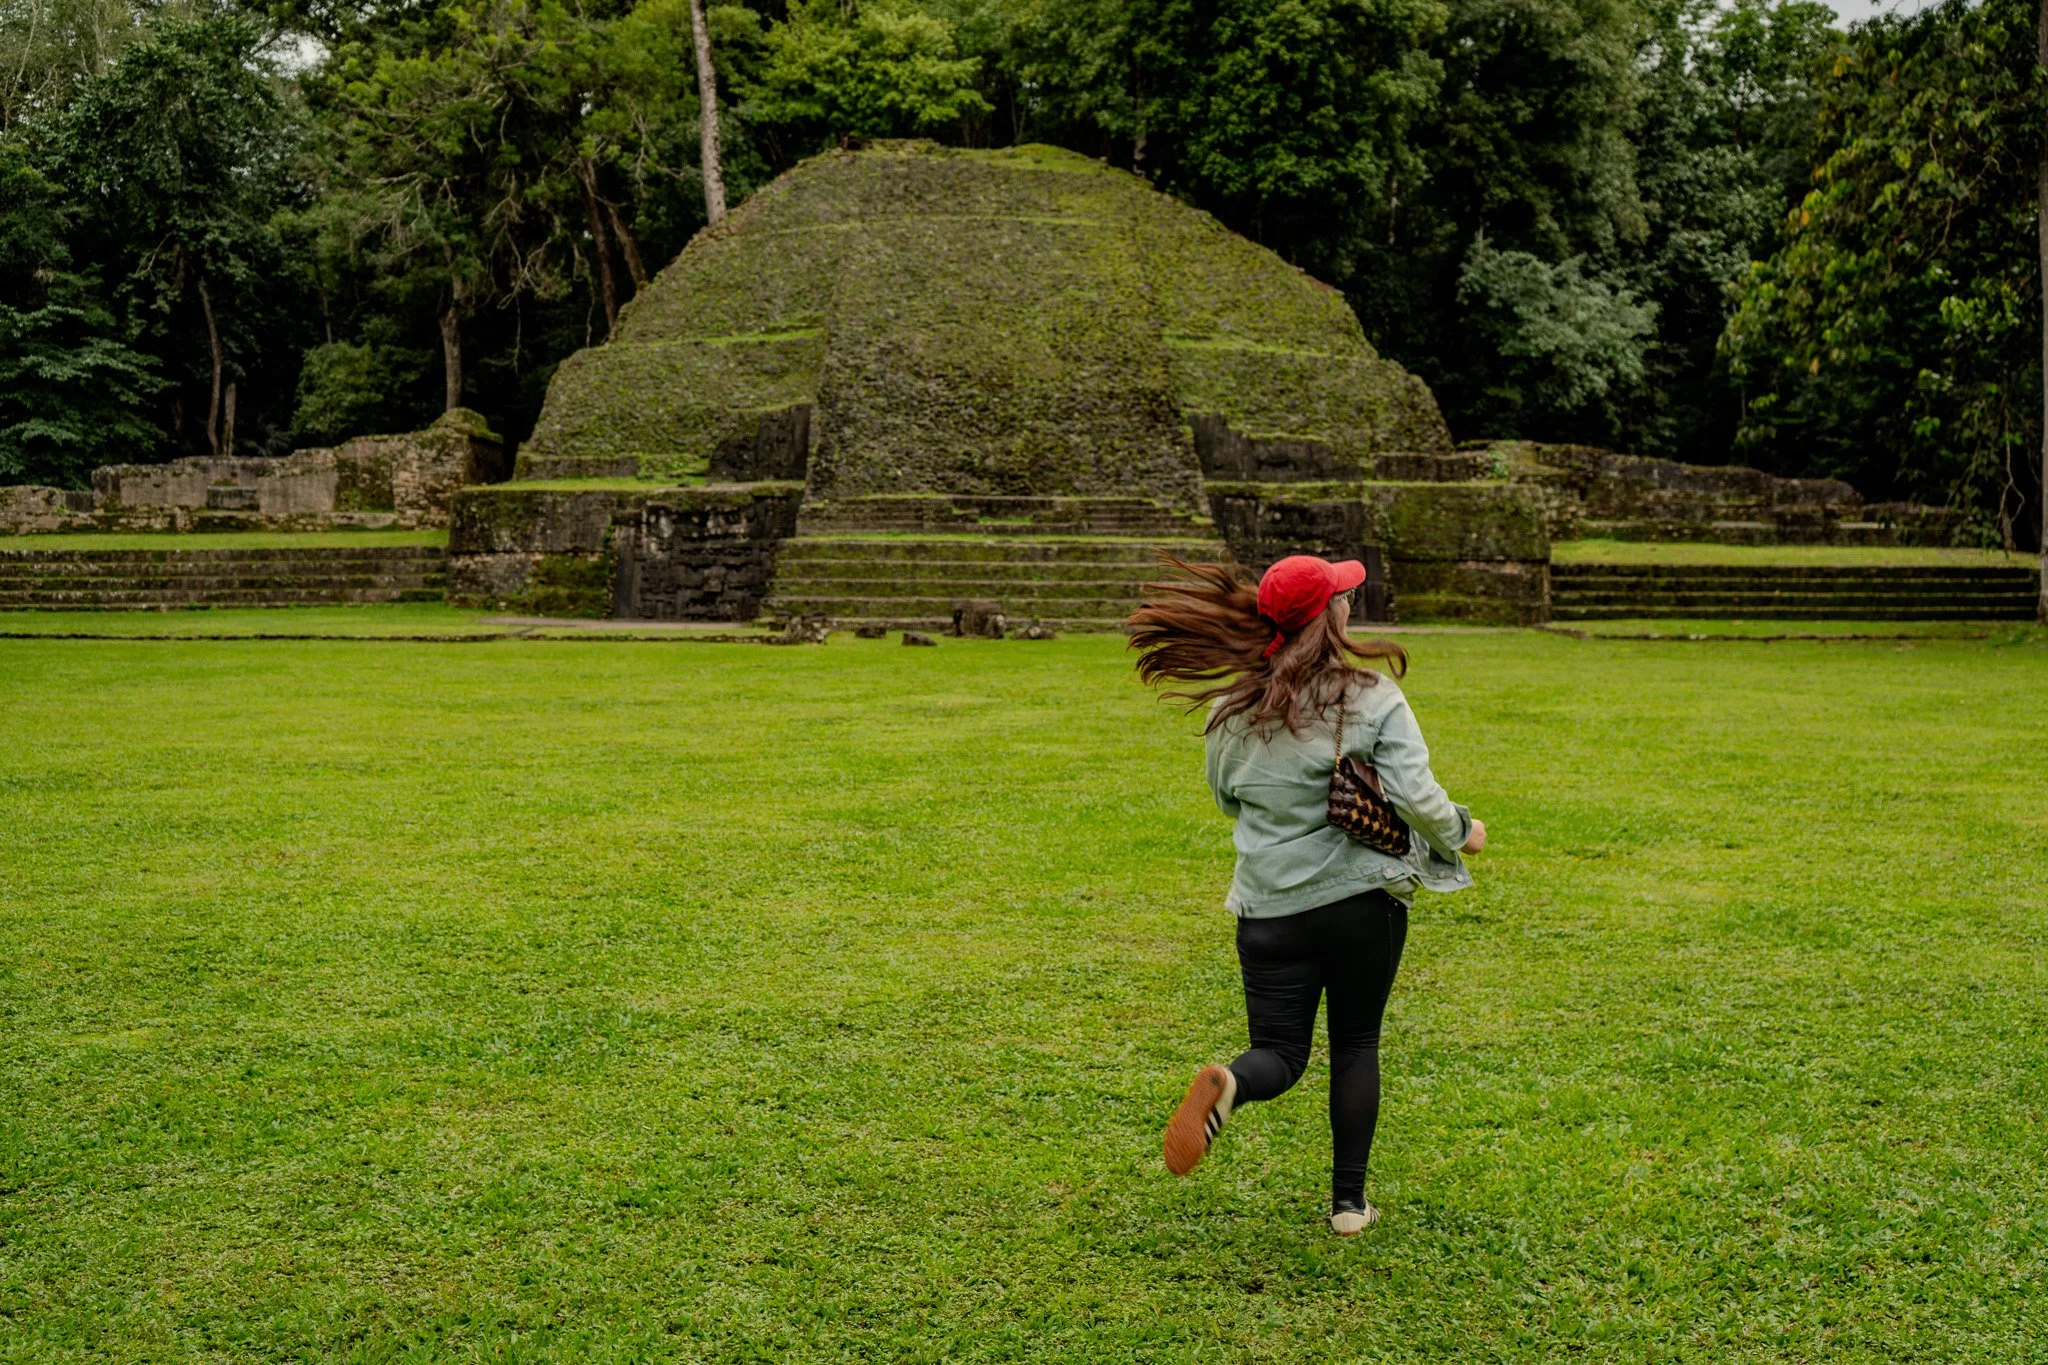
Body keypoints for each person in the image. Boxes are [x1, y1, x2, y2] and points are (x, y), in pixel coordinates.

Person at [1127, 553, 1486, 1236]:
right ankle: (1349, 1206)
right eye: (1342, 596)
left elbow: (1227, 797)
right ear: (1331, 615)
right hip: (1362, 903)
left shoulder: (1231, 708)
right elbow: (1416, 797)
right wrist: (1464, 832)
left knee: (1280, 1053)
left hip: (1268, 913)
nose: (1349, 601)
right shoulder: (1372, 696)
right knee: (1355, 1042)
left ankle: (1234, 1082)